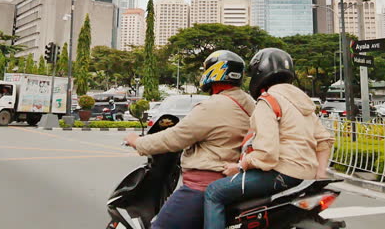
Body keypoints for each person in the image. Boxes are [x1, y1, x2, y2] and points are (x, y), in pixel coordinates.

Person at [203, 48, 335, 229]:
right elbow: (324, 140)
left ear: (260, 72)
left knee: (213, 192)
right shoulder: (303, 102)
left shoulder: (269, 101)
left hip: (282, 174)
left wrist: (241, 165)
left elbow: (267, 154)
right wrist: (320, 173)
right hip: (306, 177)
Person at [123, 50, 255, 229]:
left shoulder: (214, 105)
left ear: (214, 72)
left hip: (201, 187)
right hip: (234, 183)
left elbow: (176, 137)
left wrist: (138, 142)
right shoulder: (249, 103)